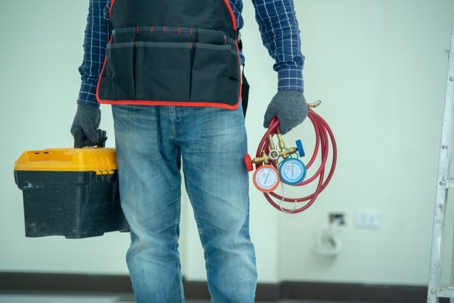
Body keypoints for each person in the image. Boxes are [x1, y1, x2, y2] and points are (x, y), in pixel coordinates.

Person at [71, 0, 307, 302]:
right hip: (136, 100)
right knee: (149, 242)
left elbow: (273, 5)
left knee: (227, 239)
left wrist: (291, 81)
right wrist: (87, 98)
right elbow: (100, 14)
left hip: (212, 97)